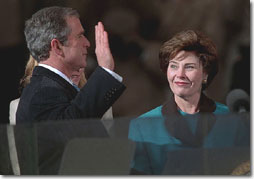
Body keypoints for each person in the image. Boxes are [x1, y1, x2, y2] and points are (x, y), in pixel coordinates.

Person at [128, 30, 249, 174]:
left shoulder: (232, 121)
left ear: (205, 73)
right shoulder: (142, 126)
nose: (179, 74)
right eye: (173, 66)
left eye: (189, 67)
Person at [16, 6, 125, 123]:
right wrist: (105, 70)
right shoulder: (43, 92)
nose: (87, 43)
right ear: (57, 46)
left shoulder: (52, 86)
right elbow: (72, 128)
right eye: (79, 36)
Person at [10, 56, 113, 125]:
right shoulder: (18, 106)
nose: (76, 68)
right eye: (66, 63)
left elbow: (110, 149)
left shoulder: (97, 100)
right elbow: (20, 154)